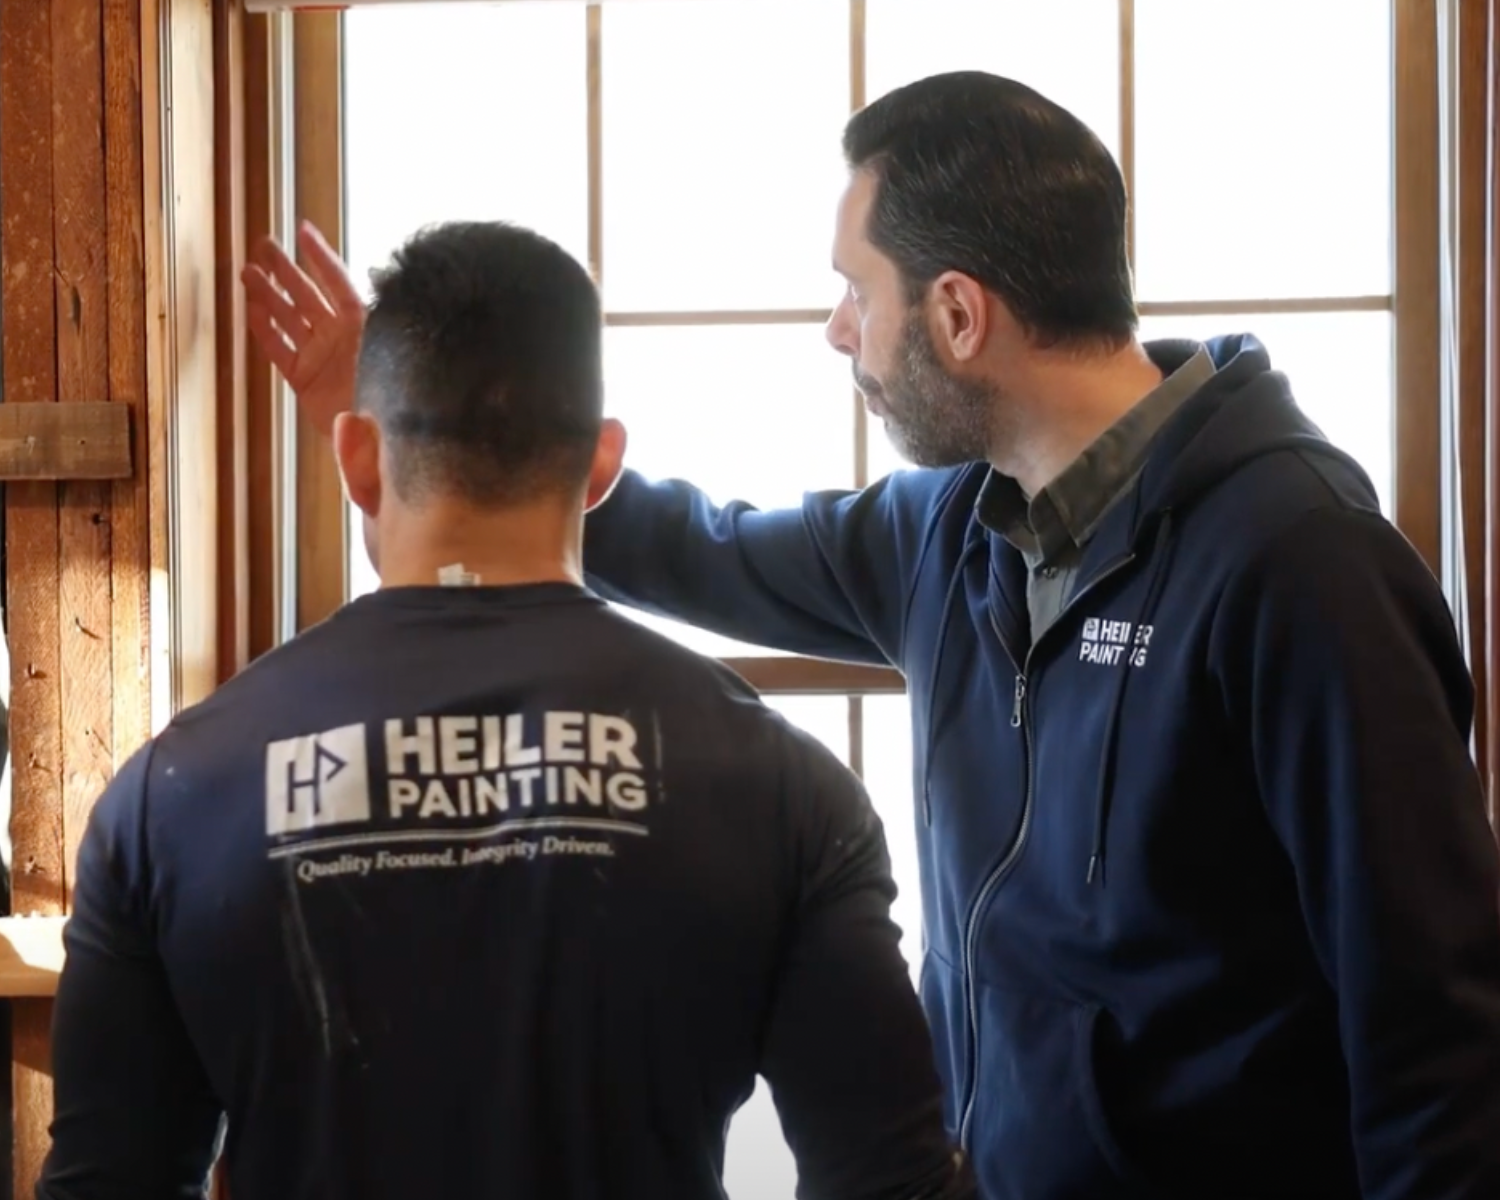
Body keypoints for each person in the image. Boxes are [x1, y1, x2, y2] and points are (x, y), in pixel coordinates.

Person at [242, 73, 1500, 1200]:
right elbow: (706, 549)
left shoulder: (1299, 563)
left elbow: (1432, 1035)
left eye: (857, 292)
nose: (839, 330)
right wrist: (423, 419)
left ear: (958, 315)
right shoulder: (948, 532)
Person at [40, 220, 977, 1200]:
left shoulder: (174, 797)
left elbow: (108, 1183)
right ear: (603, 465)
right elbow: (892, 1183)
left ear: (356, 456)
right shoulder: (781, 789)